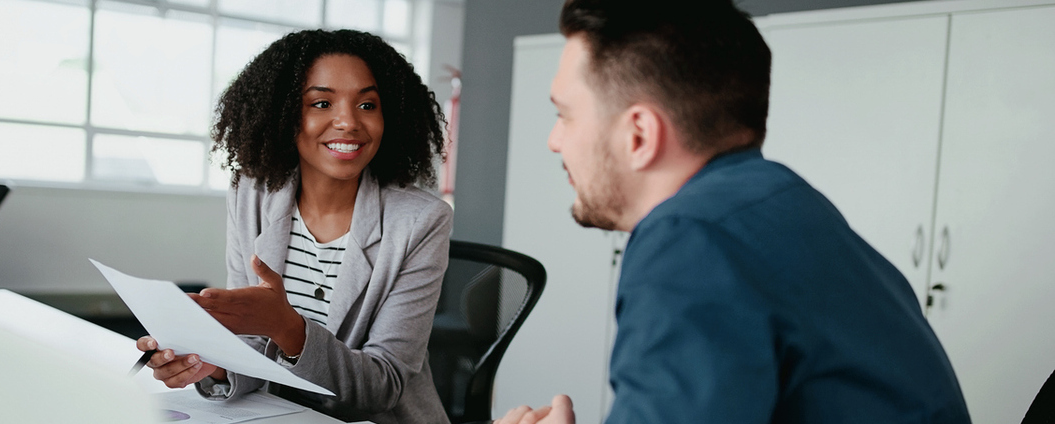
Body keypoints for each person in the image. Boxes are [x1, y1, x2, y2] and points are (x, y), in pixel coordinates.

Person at [496, 1, 971, 423]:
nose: (554, 140)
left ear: (638, 134)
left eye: (565, 114)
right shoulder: (782, 203)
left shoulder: (690, 238)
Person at [136, 29, 452, 424]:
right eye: (321, 102)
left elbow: (380, 387)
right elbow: (249, 344)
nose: (349, 122)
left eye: (368, 105)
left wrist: (287, 328)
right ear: (284, 114)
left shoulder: (421, 221)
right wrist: (210, 365)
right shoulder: (251, 194)